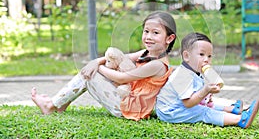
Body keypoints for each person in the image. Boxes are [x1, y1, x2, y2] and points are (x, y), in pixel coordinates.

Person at [31, 11, 177, 121]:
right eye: (146, 31)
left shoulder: (158, 65)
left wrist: (97, 67)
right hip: (126, 98)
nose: (149, 37)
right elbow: (121, 58)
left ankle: (51, 106)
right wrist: (95, 62)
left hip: (129, 109)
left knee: (89, 75)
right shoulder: (146, 52)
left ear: (169, 38)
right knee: (99, 65)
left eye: (155, 33)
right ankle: (60, 105)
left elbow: (121, 78)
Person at [155, 32, 259, 128]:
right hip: (170, 111)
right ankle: (240, 119)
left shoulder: (195, 72)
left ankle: (233, 109)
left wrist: (207, 95)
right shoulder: (181, 75)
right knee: (203, 111)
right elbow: (188, 103)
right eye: (201, 54)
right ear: (187, 56)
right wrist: (205, 91)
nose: (206, 59)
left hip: (179, 106)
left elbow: (196, 94)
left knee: (206, 104)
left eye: (209, 56)